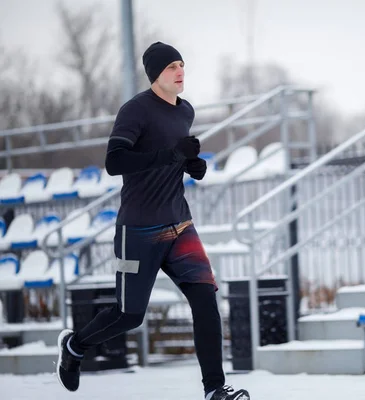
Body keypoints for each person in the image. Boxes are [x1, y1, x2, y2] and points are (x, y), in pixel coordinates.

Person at [55, 42, 250, 400]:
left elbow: (173, 157)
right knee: (130, 315)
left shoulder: (185, 111)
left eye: (182, 65)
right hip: (139, 232)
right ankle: (75, 347)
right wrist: (170, 154)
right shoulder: (135, 111)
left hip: (180, 225)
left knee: (206, 301)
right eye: (172, 67)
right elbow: (116, 162)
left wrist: (191, 165)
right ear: (154, 75)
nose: (180, 72)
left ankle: (214, 390)